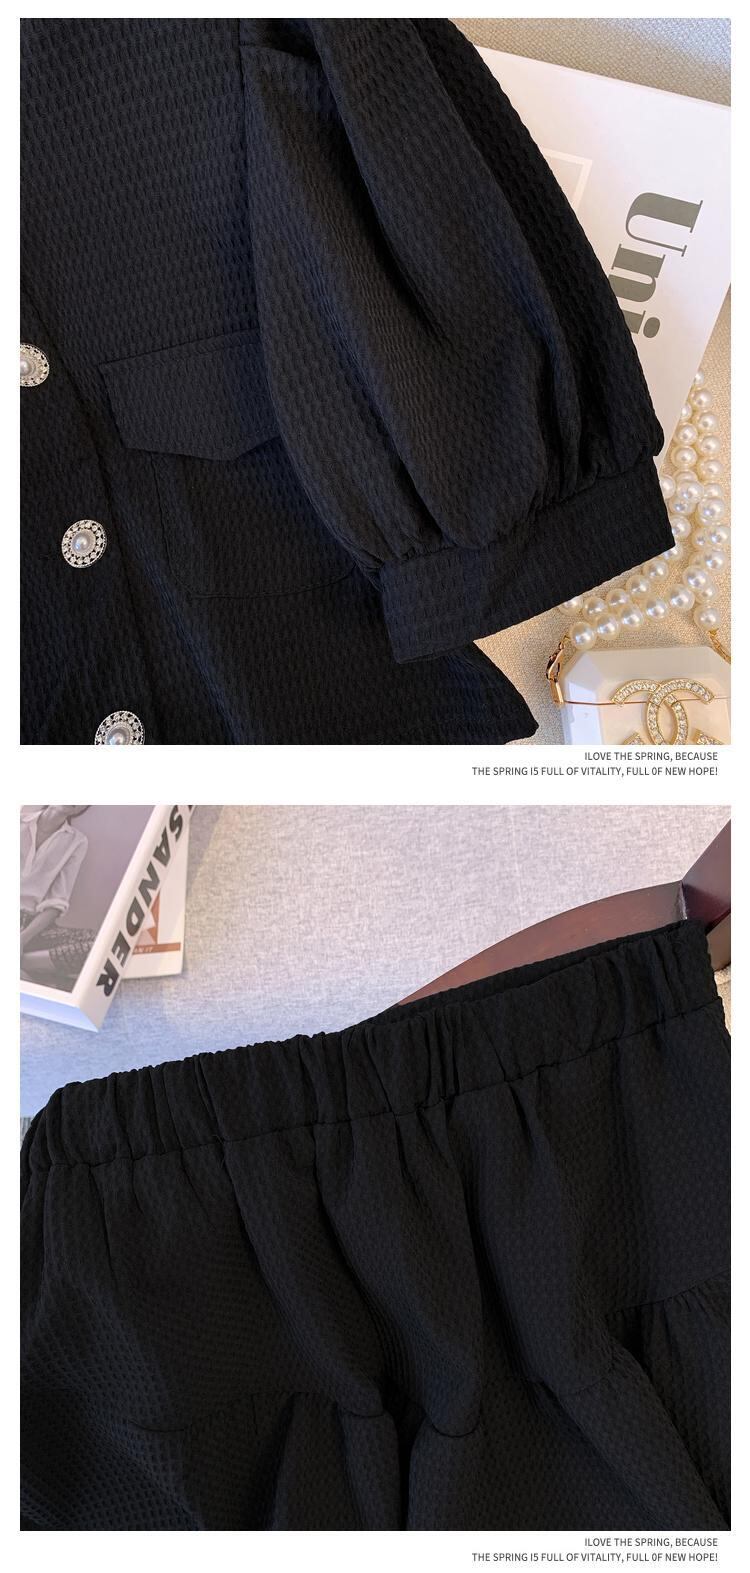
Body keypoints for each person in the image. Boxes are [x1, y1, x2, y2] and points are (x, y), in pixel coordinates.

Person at [20, 807, 93, 986]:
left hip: (33, 928)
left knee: (100, 946)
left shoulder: (77, 841)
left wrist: (21, 940)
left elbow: (57, 902)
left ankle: (24, 966)